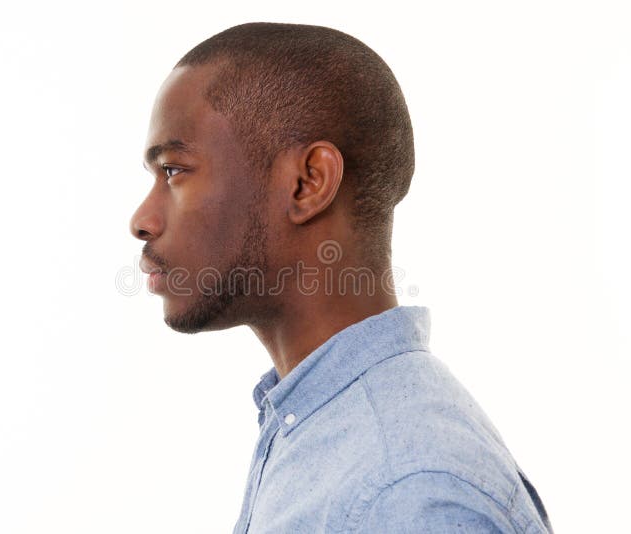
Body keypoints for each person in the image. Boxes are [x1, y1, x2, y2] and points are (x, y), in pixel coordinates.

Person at [130, 22, 553, 533]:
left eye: (174, 170)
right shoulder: (317, 423)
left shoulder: (408, 490)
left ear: (308, 183)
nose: (142, 220)